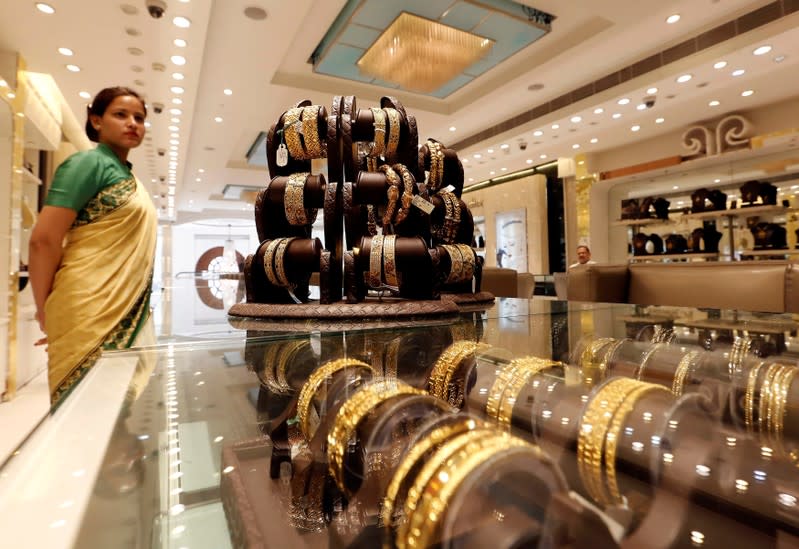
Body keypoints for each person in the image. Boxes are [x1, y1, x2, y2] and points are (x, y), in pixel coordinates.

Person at [29, 86, 157, 405]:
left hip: (123, 306)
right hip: (85, 308)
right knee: (85, 417)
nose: (132, 123)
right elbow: (43, 241)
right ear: (96, 121)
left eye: (139, 117)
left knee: (116, 419)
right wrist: (45, 310)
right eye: (120, 114)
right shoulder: (88, 164)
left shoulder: (127, 177)